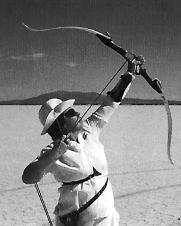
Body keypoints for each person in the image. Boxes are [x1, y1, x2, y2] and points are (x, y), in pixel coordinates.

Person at [22, 59, 141, 226]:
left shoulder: (89, 129)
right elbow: (28, 176)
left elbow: (111, 102)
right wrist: (53, 155)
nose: (77, 112)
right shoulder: (51, 151)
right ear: (60, 122)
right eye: (70, 112)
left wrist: (129, 75)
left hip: (108, 218)